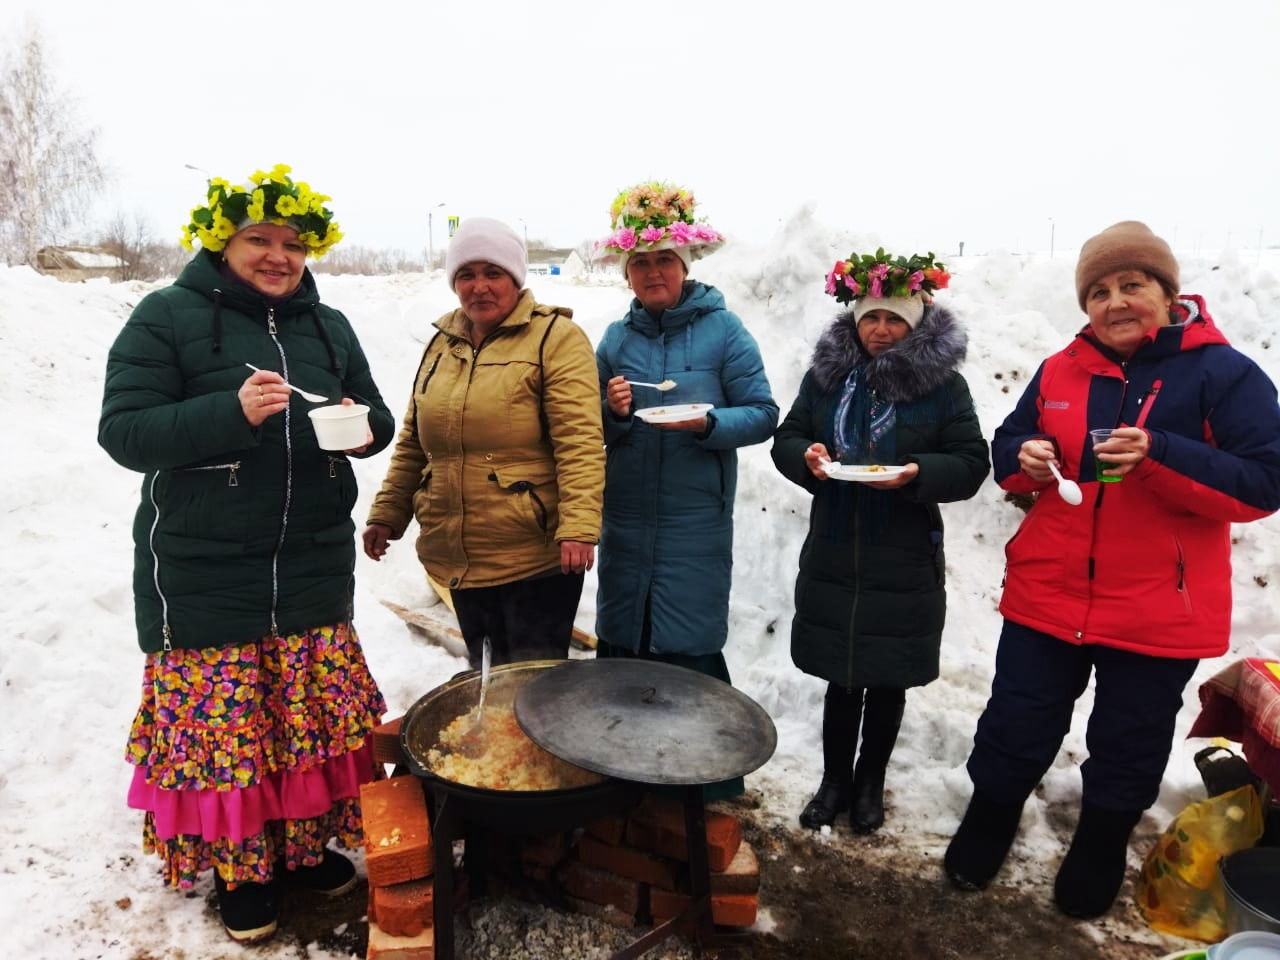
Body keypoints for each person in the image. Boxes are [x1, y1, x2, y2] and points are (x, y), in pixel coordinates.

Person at [944, 221, 1280, 918]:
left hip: (1160, 606)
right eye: (1099, 291)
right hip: (1049, 592)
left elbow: (1263, 482)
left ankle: (1100, 844)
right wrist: (1026, 458)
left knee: (1129, 740)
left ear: (1167, 292)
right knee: (1016, 721)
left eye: (1133, 284)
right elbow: (1009, 444)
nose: (1115, 301)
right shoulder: (1063, 368)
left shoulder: (1224, 374)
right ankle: (991, 817)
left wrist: (1160, 453)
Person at [98, 164, 396, 943]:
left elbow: (379, 417)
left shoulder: (329, 328)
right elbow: (124, 432)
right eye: (258, 239)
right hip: (204, 570)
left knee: (300, 722)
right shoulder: (167, 315)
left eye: (293, 244)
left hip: (310, 562)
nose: (278, 256)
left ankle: (299, 852)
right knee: (230, 733)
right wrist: (228, 413)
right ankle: (243, 873)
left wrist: (367, 428)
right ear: (221, 243)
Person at [771, 251, 989, 833]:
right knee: (841, 677)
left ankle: (871, 783)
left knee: (889, 677)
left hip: (905, 552)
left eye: (894, 319)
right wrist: (807, 457)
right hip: (837, 548)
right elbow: (787, 437)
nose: (882, 331)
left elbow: (971, 462)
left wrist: (918, 471)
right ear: (855, 321)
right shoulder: (826, 379)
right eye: (871, 319)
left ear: (915, 322)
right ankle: (834, 780)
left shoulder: (944, 388)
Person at [593, 182, 778, 800]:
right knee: (625, 641)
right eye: (640, 263)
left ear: (684, 266)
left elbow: (763, 412)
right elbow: (590, 425)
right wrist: (614, 410)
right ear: (628, 273)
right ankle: (621, 771)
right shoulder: (616, 341)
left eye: (663, 261)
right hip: (626, 516)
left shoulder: (725, 331)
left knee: (688, 645)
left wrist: (709, 423)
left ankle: (705, 787)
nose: (652, 273)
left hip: (694, 520)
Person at [364, 217, 603, 668]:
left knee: (533, 690)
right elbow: (415, 442)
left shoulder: (555, 339)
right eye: (466, 275)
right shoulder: (442, 343)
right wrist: (387, 513)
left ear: (515, 277)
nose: (480, 287)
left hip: (532, 556)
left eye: (493, 273)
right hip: (458, 552)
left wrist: (579, 527)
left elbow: (580, 442)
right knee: (487, 678)